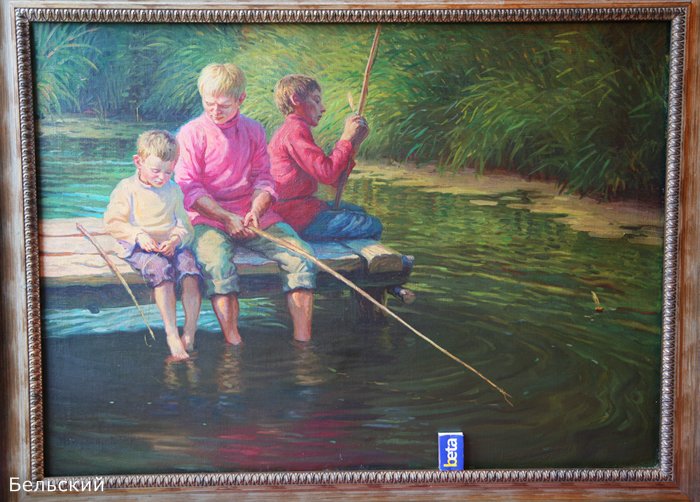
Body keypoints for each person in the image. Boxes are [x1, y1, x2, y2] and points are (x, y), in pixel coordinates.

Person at [175, 63, 316, 345]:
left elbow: (265, 179)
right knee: (217, 264)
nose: (215, 111)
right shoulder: (191, 133)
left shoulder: (254, 130)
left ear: (241, 99)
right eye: (209, 103)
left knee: (301, 256)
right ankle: (234, 343)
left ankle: (303, 342)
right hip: (208, 218)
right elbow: (188, 188)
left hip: (254, 215)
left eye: (223, 105)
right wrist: (226, 217)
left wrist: (256, 211)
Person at [104, 130, 202, 361]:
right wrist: (138, 235)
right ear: (138, 162)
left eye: (168, 172)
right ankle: (172, 335)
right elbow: (113, 222)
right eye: (156, 170)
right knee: (161, 271)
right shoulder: (127, 188)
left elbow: (185, 225)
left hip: (170, 244)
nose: (161, 177)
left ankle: (189, 332)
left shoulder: (173, 190)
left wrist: (175, 239)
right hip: (139, 246)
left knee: (190, 272)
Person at [269, 74, 382, 242]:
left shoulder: (293, 128)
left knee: (359, 212)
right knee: (372, 224)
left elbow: (336, 181)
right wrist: (345, 138)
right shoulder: (294, 131)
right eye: (316, 100)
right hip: (297, 219)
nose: (322, 108)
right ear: (296, 100)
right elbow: (327, 174)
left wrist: (354, 143)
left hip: (303, 210)